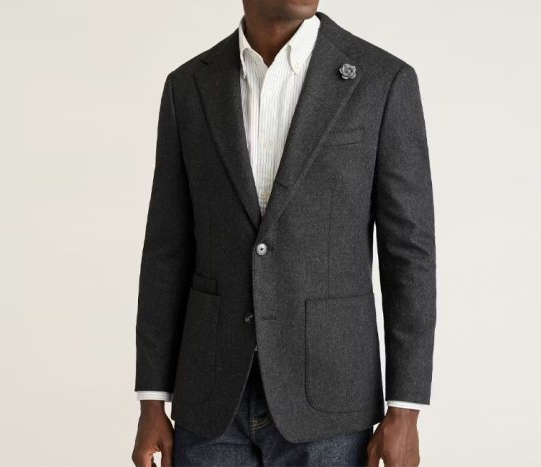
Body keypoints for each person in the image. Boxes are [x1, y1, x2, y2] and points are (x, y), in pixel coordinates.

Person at [132, 2, 436, 466]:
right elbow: (166, 250)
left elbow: (409, 253)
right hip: (211, 402)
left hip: (331, 401)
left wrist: (405, 410)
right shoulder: (188, 86)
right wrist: (152, 400)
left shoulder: (382, 80)